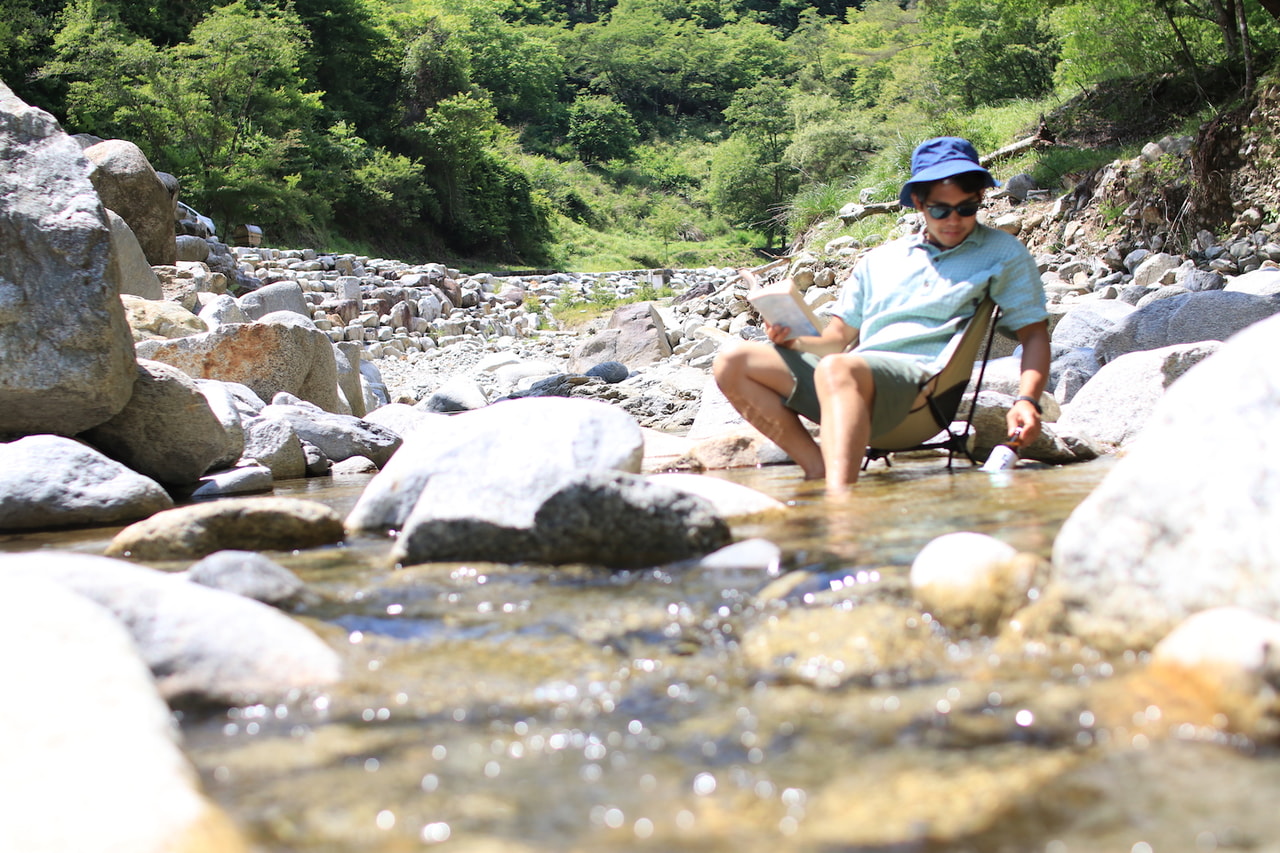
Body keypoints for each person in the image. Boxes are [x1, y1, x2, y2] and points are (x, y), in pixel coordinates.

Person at [712, 136, 1050, 494]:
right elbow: (835, 341)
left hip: (921, 400)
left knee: (839, 368)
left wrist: (1027, 400)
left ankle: (840, 507)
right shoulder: (879, 260)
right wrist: (792, 338)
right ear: (918, 203)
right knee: (733, 360)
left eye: (966, 209)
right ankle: (817, 469)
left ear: (980, 198)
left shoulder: (1001, 252)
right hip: (847, 383)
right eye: (940, 210)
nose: (954, 220)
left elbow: (1034, 334)